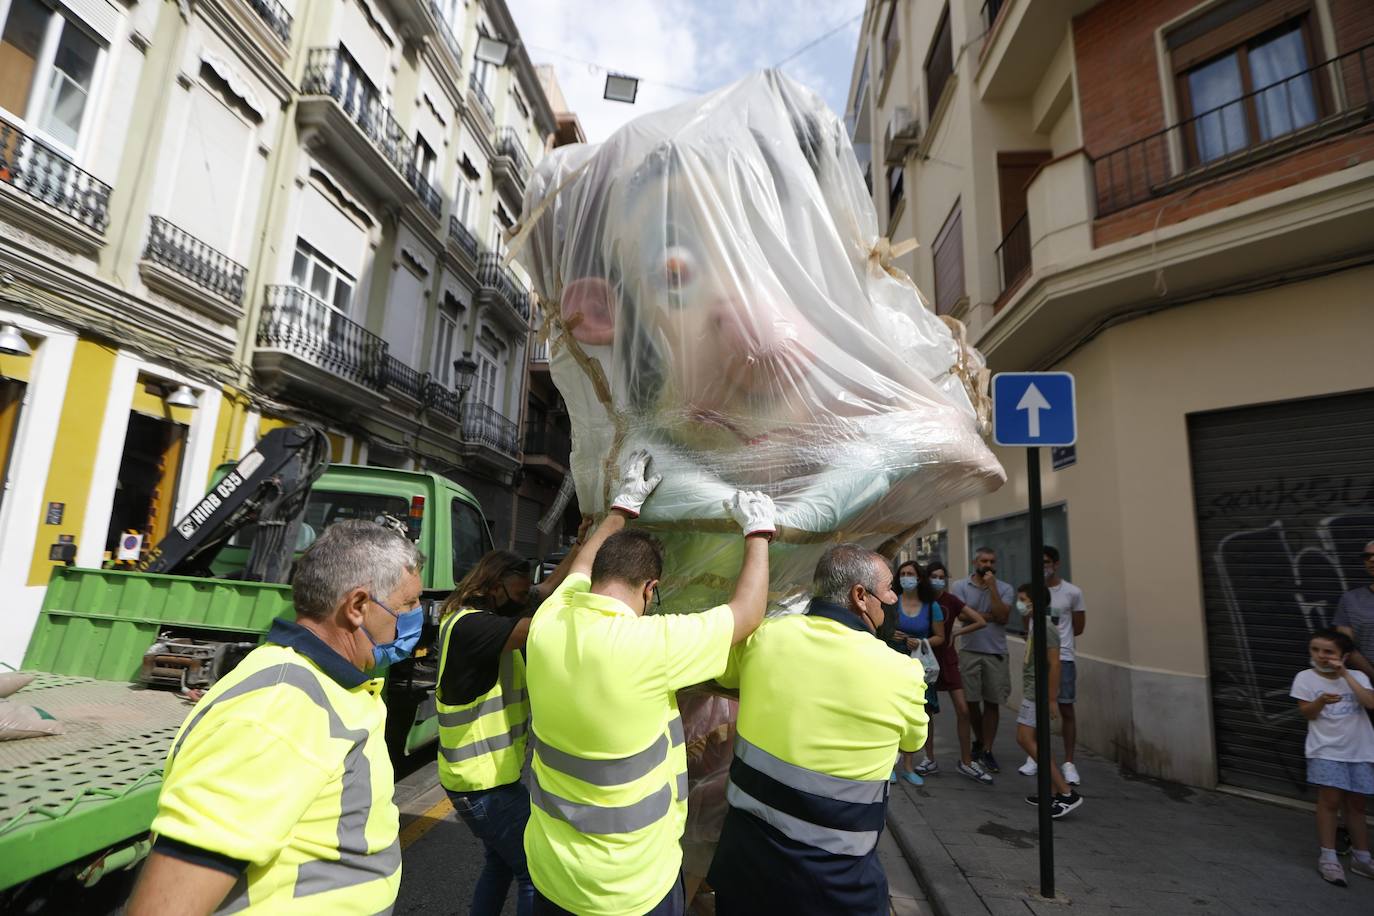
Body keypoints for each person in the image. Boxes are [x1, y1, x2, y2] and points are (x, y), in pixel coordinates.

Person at [522, 454, 775, 916]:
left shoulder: (548, 621)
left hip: (553, 873)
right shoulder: (651, 645)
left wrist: (621, 508)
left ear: (596, 579)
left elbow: (580, 564)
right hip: (630, 886)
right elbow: (747, 613)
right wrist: (758, 531)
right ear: (650, 588)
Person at [128, 521, 424, 915]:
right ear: (357, 607)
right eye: (408, 605)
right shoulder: (276, 711)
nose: (417, 617)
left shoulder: (328, 685)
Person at [708, 544, 928, 915]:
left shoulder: (764, 637)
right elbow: (913, 741)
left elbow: (725, 675)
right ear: (860, 596)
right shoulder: (902, 673)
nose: (894, 597)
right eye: (890, 588)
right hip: (834, 886)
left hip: (744, 867)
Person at [433, 518, 594, 916]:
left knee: (500, 864)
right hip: (482, 785)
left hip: (485, 780)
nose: (525, 598)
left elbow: (545, 590)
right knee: (533, 873)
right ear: (493, 586)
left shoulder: (485, 613)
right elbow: (548, 620)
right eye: (518, 592)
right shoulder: (474, 628)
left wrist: (580, 545)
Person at [1291, 628, 1374, 886]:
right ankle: (1328, 857)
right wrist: (1321, 702)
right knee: (1330, 801)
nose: (1321, 656)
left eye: (1328, 651)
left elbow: (1369, 702)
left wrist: (1345, 675)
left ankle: (1362, 857)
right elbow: (1307, 713)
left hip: (1359, 750)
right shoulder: (1305, 678)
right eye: (1315, 650)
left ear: (1344, 655)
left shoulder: (1358, 676)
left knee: (1357, 804)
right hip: (1325, 750)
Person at [1013, 584, 1083, 819]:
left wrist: (1052, 699)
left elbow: (1055, 663)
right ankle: (1051, 791)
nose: (1019, 603)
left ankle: (1066, 793)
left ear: (1034, 601)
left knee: (1024, 738)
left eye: (1023, 599)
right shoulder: (1035, 624)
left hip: (1038, 693)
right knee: (1040, 740)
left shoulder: (1046, 627)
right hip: (1033, 689)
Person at [1019, 547, 1087, 785]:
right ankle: (1035, 756)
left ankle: (1069, 763)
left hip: (1063, 658)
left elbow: (1078, 627)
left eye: (1046, 562)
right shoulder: (1030, 591)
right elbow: (1026, 621)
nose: (1043, 566)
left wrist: (1057, 644)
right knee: (1035, 710)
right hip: (1035, 659)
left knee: (1065, 709)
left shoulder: (1072, 592)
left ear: (1056, 564)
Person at [923, 559, 991, 785]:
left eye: (942, 577)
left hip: (949, 660)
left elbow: (980, 621)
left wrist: (957, 633)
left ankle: (966, 760)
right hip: (927, 660)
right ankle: (929, 758)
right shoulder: (921, 600)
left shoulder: (950, 600)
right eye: (934, 576)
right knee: (926, 713)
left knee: (963, 710)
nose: (938, 581)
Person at [950, 547, 1014, 773]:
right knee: (971, 702)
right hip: (970, 650)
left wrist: (993, 589)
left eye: (992, 561)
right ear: (975, 561)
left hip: (995, 652)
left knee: (992, 702)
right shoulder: (960, 586)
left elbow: (1003, 616)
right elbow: (961, 615)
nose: (988, 565)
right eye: (984, 560)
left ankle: (987, 749)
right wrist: (990, 616)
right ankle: (979, 739)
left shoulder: (1005, 588)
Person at [888, 560, 941, 786]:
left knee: (917, 714)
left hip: (920, 666)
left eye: (910, 573)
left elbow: (941, 637)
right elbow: (881, 629)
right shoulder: (891, 602)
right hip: (894, 661)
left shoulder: (931, 606)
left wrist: (920, 642)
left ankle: (909, 765)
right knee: (892, 713)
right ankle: (890, 764)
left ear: (919, 578)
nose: (906, 577)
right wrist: (892, 634)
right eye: (903, 573)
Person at [1334, 540, 1374, 682]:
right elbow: (1346, 646)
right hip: (1367, 683)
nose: (1371, 559)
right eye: (1367, 556)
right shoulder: (1350, 599)